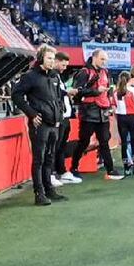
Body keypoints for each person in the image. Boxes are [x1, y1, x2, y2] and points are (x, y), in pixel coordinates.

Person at [10, 46, 67, 205]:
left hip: (54, 123)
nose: (52, 61)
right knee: (39, 159)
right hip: (40, 124)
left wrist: (60, 112)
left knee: (50, 157)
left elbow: (57, 98)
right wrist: (31, 114)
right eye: (49, 58)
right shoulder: (30, 76)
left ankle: (49, 189)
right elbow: (16, 95)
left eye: (53, 58)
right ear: (41, 58)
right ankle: (39, 193)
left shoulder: (55, 76)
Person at [68, 49, 124, 181]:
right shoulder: (84, 72)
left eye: (105, 59)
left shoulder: (105, 72)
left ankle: (110, 169)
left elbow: (107, 90)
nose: (104, 62)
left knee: (104, 141)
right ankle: (74, 167)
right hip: (88, 111)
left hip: (102, 111)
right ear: (94, 58)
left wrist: (109, 103)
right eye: (102, 59)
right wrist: (95, 91)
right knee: (84, 141)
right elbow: (78, 91)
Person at [51, 51, 81, 186]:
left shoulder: (59, 76)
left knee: (61, 146)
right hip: (59, 116)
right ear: (56, 61)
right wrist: (66, 92)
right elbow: (54, 94)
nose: (64, 68)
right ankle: (51, 173)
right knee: (55, 147)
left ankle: (61, 172)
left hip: (66, 116)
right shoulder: (51, 76)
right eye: (63, 65)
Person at [113, 72, 134, 175]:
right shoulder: (133, 90)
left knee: (124, 143)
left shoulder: (116, 91)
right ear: (130, 79)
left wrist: (117, 119)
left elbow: (114, 109)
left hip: (121, 118)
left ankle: (126, 168)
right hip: (131, 117)